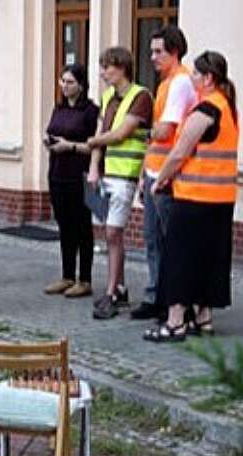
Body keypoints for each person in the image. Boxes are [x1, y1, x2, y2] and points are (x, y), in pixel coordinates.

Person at [143, 51, 239, 342]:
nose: (192, 78)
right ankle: (203, 318)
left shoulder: (205, 111)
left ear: (208, 78)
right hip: (220, 199)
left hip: (194, 198)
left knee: (179, 259)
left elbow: (179, 152)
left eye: (196, 74)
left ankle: (175, 322)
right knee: (208, 259)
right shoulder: (227, 107)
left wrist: (160, 180)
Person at [133, 25, 197, 322]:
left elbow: (165, 129)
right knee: (152, 238)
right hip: (154, 170)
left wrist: (143, 130)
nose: (153, 56)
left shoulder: (181, 82)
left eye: (159, 51)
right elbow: (157, 135)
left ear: (174, 52)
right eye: (152, 50)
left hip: (168, 174)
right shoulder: (165, 83)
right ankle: (156, 294)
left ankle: (174, 302)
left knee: (169, 241)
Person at [86, 47, 153, 320]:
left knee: (113, 233)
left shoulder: (141, 96)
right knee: (109, 233)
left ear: (122, 67)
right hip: (106, 175)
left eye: (107, 67)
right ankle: (119, 287)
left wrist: (94, 142)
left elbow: (121, 134)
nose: (102, 73)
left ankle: (112, 292)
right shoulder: (106, 98)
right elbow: (100, 134)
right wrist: (93, 166)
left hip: (127, 174)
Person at [43, 64, 100, 298]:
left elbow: (96, 145)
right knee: (64, 225)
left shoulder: (90, 111)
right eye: (62, 82)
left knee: (82, 227)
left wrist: (70, 146)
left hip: (80, 174)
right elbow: (51, 130)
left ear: (82, 85)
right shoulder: (59, 108)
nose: (65, 87)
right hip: (57, 172)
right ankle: (67, 275)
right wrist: (50, 142)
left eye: (70, 82)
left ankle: (84, 279)